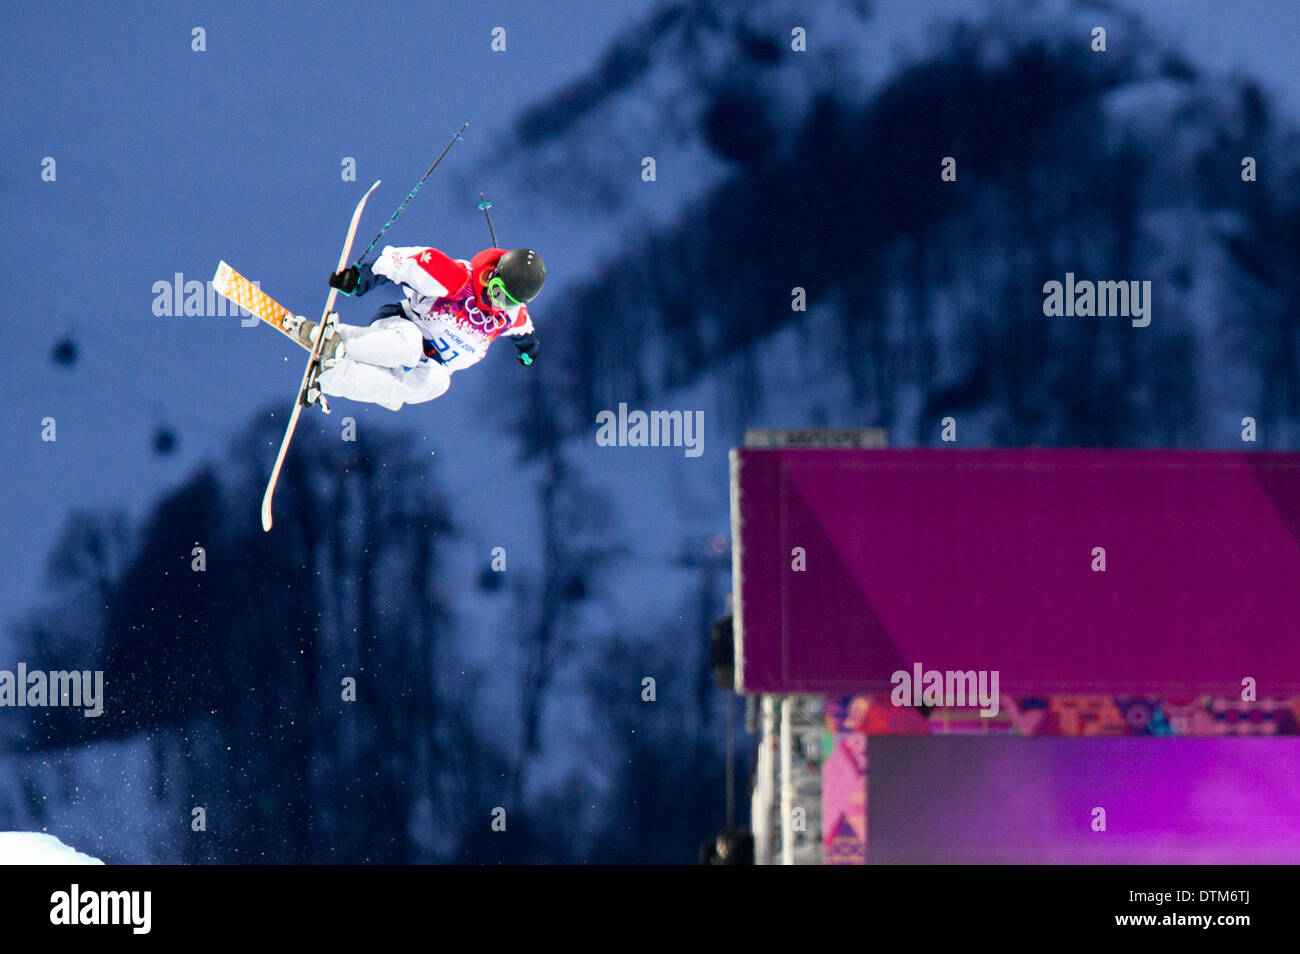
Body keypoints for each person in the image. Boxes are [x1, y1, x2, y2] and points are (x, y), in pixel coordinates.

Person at [282, 245, 545, 411]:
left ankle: (329, 378)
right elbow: (401, 264)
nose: (496, 304)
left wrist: (528, 352)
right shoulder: (456, 278)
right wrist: (360, 279)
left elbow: (525, 333)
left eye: (508, 302)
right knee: (407, 348)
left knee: (437, 383)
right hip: (403, 327)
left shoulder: (510, 316)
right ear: (492, 275)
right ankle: (337, 342)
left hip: (431, 364)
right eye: (497, 293)